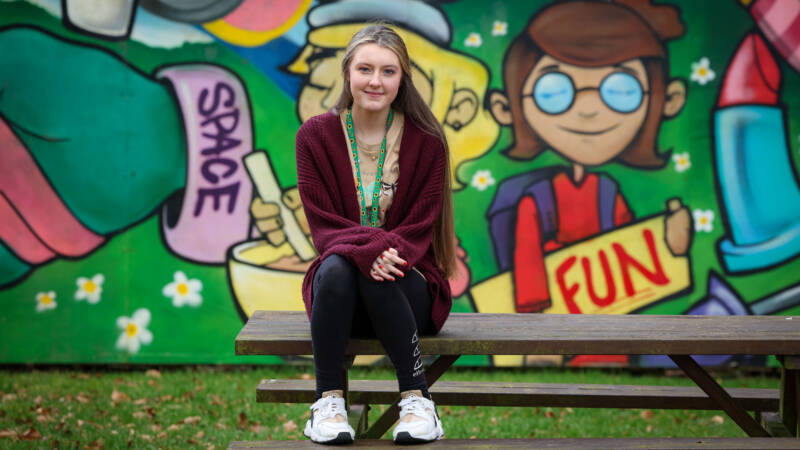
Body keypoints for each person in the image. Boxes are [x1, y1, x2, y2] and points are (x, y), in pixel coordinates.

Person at [294, 24, 456, 445]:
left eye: (388, 71)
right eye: (365, 68)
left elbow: (419, 226)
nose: (375, 81)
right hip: (339, 296)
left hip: (407, 285)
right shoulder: (314, 136)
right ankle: (328, 404)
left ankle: (418, 401)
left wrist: (381, 253)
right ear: (347, 72)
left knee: (377, 272)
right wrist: (369, 250)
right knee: (336, 270)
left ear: (402, 79)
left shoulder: (427, 142)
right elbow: (323, 224)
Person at [487, 0, 691, 317]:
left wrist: (670, 244)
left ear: (669, 100)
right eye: (553, 91)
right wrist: (534, 328)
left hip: (607, 312)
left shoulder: (608, 191)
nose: (588, 109)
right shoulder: (537, 199)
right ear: (505, 107)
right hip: (555, 312)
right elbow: (527, 262)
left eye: (621, 90)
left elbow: (629, 246)